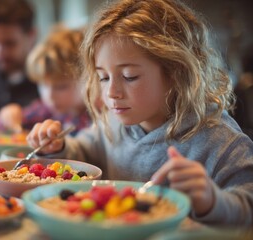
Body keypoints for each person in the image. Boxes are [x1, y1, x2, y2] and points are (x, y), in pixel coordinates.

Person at [26, 0, 253, 226]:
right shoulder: (114, 121)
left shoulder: (221, 142)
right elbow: (86, 151)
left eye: (129, 76)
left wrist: (213, 201)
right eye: (103, 77)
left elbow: (247, 206)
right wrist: (58, 147)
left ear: (177, 71)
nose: (111, 93)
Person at [0, 25, 92, 136]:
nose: (50, 96)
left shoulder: (95, 121)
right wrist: (7, 116)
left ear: (88, 80)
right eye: (43, 85)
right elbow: (7, 125)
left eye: (61, 87)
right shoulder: (44, 110)